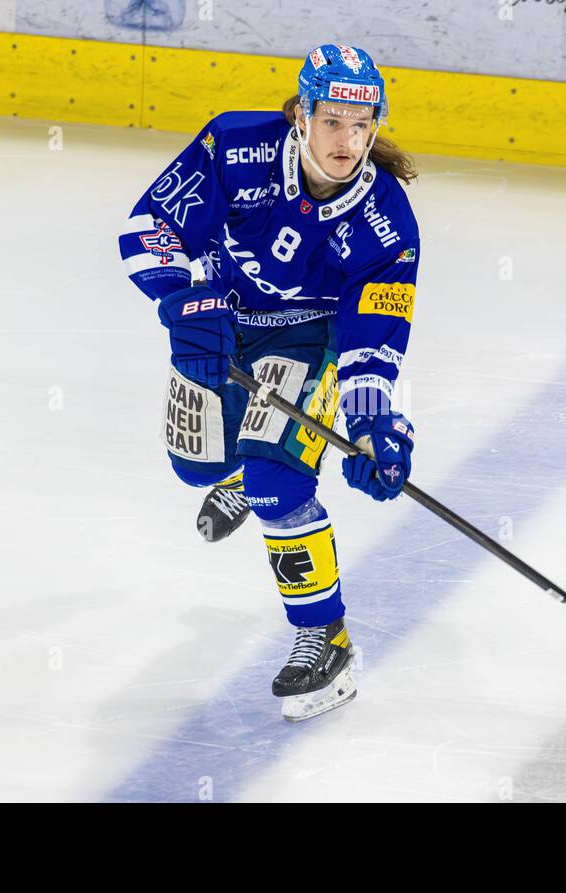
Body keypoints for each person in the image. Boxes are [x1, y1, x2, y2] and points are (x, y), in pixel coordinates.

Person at [118, 44, 421, 721]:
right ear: (300, 115)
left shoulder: (387, 221)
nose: (349, 141)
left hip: (309, 340)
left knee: (277, 484)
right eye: (334, 121)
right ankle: (244, 470)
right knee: (194, 466)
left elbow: (372, 337)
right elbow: (150, 227)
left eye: (362, 124)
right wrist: (181, 302)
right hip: (224, 324)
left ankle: (328, 637)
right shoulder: (234, 145)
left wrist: (373, 422)